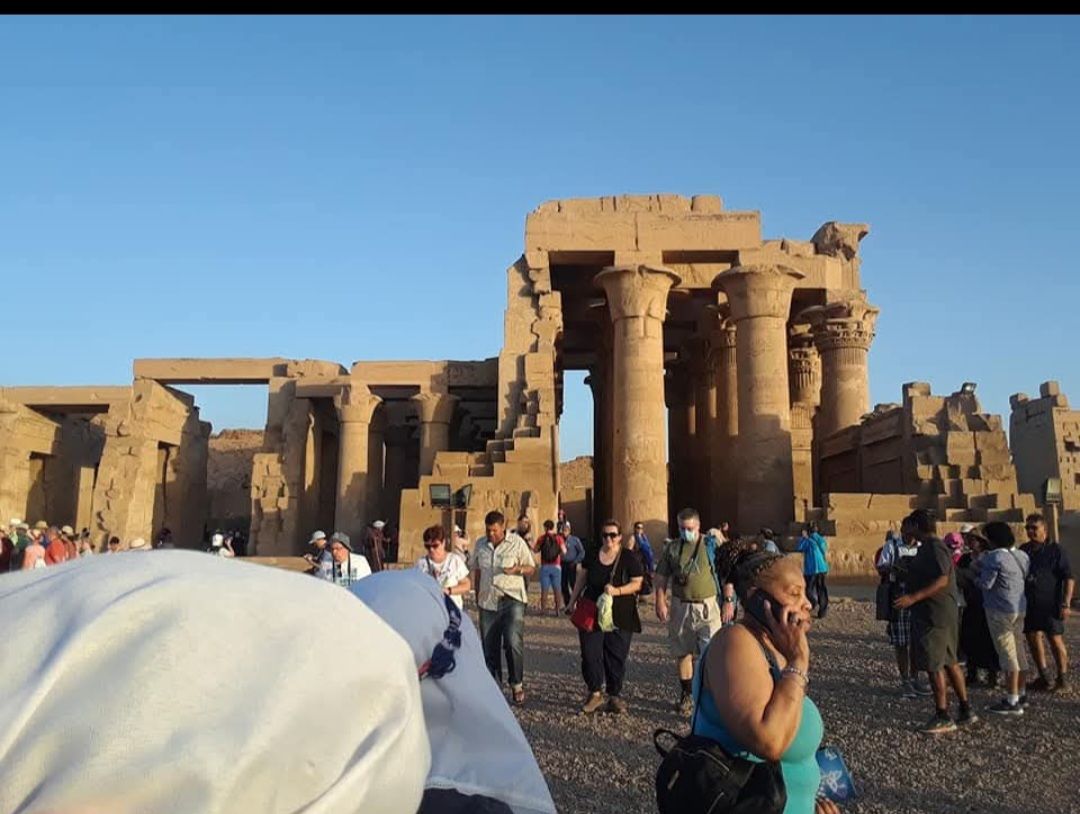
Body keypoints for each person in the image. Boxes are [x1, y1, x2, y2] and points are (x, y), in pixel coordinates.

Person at [695, 539, 836, 814]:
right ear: (756, 597)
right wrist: (798, 661)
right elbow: (769, 740)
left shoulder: (774, 649)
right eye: (794, 593)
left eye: (805, 592)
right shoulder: (734, 642)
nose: (807, 603)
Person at [893, 509, 976, 733]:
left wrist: (913, 597)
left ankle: (943, 714)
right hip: (937, 613)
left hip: (934, 615)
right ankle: (966, 710)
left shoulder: (935, 547)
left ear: (915, 525)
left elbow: (942, 578)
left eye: (907, 525)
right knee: (949, 661)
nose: (904, 530)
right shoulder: (926, 548)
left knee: (935, 664)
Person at [567, 519, 644, 714]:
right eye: (605, 535)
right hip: (592, 611)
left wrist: (616, 591)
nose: (608, 539)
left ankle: (614, 695)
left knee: (616, 655)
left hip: (620, 612)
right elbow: (582, 578)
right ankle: (594, 692)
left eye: (613, 535)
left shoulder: (628, 557)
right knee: (590, 654)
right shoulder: (593, 554)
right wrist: (571, 601)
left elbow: (637, 583)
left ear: (619, 537)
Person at [654, 507, 724, 715]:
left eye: (690, 528)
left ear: (698, 526)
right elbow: (661, 576)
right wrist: (660, 600)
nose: (686, 532)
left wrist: (729, 600)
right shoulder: (673, 548)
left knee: (711, 654)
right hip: (680, 605)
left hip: (707, 607)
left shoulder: (711, 545)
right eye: (683, 528)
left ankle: (712, 697)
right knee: (682, 652)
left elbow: (726, 571)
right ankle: (687, 696)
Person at [469, 510, 536, 706]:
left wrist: (518, 570)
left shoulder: (517, 543)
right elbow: (476, 569)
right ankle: (492, 687)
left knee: (512, 641)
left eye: (495, 531)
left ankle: (516, 684)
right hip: (488, 601)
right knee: (489, 644)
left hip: (512, 598)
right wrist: (476, 593)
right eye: (488, 530)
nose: (491, 534)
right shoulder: (481, 544)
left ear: (503, 527)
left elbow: (531, 567)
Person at [976, 521, 1030, 715]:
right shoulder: (1022, 555)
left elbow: (986, 584)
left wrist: (975, 576)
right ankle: (1021, 694)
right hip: (1019, 607)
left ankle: (1012, 700)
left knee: (1007, 655)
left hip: (999, 610)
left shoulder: (994, 557)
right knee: (1019, 651)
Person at [1020, 513, 1074, 692]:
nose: (1030, 531)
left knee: (1054, 639)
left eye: (1034, 528)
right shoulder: (1024, 550)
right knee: (1033, 638)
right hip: (1030, 604)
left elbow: (1068, 578)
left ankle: (1063, 678)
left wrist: (1066, 603)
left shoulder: (1055, 550)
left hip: (1051, 604)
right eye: (1027, 528)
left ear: (1044, 529)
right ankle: (1044, 677)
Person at [877, 528, 930, 698]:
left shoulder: (922, 547)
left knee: (916, 642)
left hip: (918, 597)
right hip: (899, 597)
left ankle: (915, 678)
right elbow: (882, 567)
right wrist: (897, 569)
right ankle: (905, 680)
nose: (911, 538)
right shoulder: (891, 546)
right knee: (901, 643)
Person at [954, 531, 999, 689]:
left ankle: (992, 674)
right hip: (970, 602)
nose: (970, 541)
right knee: (969, 637)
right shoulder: (966, 558)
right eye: (968, 539)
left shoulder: (990, 557)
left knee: (989, 639)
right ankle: (972, 673)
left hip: (987, 603)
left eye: (973, 539)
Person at [415, 525, 471, 610]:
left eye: (435, 546)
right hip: (429, 609)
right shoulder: (421, 563)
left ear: (443, 543)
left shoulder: (454, 560)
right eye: (427, 546)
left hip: (451, 611)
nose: (431, 550)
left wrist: (449, 591)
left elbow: (466, 585)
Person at [797, 523, 829, 619]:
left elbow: (799, 547)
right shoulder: (820, 539)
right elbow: (824, 548)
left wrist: (803, 538)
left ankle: (813, 602)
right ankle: (822, 610)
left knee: (809, 589)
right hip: (822, 568)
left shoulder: (808, 541)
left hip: (811, 570)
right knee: (821, 589)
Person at [534, 519, 566, 616]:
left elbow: (535, 550)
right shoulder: (559, 538)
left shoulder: (542, 538)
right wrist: (558, 554)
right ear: (553, 527)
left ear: (545, 527)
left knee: (544, 589)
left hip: (545, 566)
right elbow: (564, 551)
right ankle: (557, 610)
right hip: (556, 567)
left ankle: (543, 610)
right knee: (557, 589)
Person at [559, 521, 585, 609]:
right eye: (563, 530)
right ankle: (568, 604)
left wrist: (576, 561)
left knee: (574, 585)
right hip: (562, 565)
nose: (564, 532)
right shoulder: (560, 540)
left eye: (566, 530)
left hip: (572, 565)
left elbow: (582, 552)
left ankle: (578, 604)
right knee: (563, 585)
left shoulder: (575, 540)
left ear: (569, 531)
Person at [631, 520, 656, 597]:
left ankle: (644, 592)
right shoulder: (633, 538)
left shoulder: (644, 538)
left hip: (645, 561)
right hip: (638, 561)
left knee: (645, 577)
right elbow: (629, 550)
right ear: (635, 528)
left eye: (641, 528)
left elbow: (648, 550)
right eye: (638, 528)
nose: (639, 530)